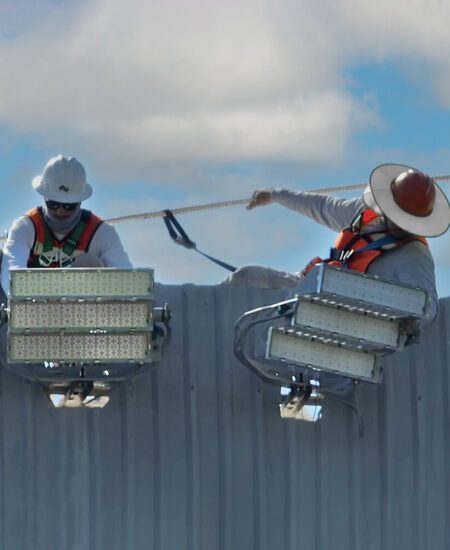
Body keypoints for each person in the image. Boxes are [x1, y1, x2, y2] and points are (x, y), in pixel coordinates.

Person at [226, 163, 450, 325]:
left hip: (355, 318)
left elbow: (428, 307)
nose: (402, 226)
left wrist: (406, 320)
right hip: (317, 288)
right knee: (244, 276)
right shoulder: (363, 215)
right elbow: (321, 206)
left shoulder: (415, 255)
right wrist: (274, 195)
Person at [1, 155, 132, 295]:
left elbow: (125, 278)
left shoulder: (102, 233)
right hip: (30, 302)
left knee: (88, 262)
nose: (60, 211)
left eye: (68, 206)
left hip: (81, 307)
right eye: (53, 203)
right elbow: (11, 269)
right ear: (44, 198)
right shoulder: (25, 227)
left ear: (80, 202)